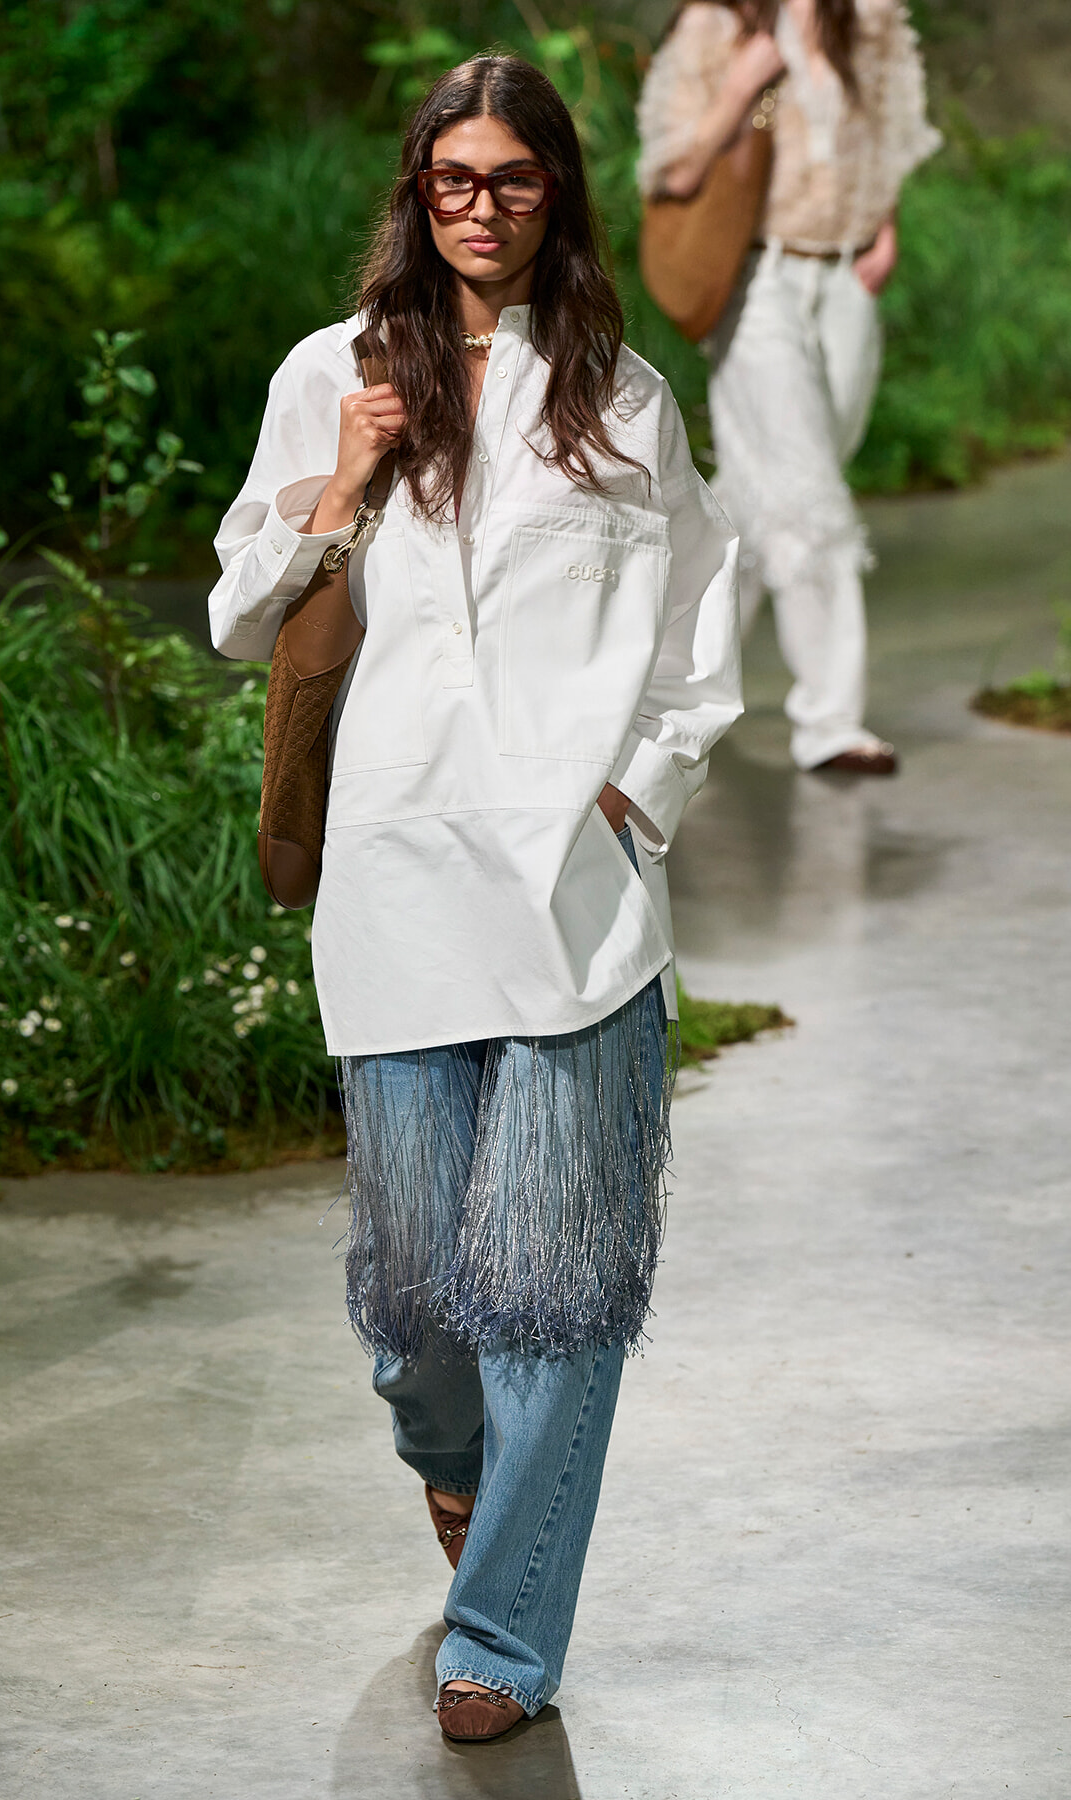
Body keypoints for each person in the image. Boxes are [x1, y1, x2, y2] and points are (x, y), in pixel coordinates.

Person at [209, 54, 741, 1741]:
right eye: (454, 177)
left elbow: (700, 639)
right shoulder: (333, 377)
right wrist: (348, 481)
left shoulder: (627, 398)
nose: (483, 206)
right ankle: (457, 1472)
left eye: (514, 178)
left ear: (557, 194)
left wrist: (633, 799)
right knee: (420, 1322)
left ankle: (502, 1634)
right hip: (391, 888)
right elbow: (237, 614)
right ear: (416, 191)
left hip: (574, 906)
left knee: (554, 1299)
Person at [637, 0, 940, 774]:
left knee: (757, 496)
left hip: (846, 283)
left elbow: (890, 137)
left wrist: (888, 226)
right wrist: (739, 90)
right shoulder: (719, 25)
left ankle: (670, 682)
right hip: (756, 280)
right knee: (808, 498)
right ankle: (828, 723)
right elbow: (670, 168)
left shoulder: (867, 20)